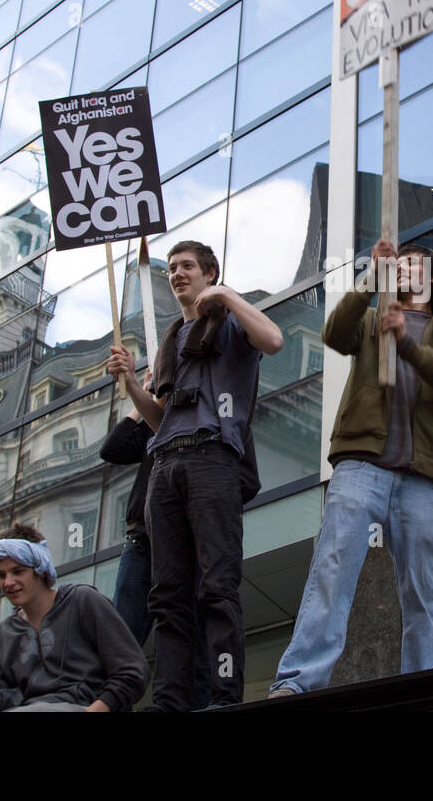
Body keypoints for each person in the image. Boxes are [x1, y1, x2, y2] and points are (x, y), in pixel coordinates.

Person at [268, 240, 433, 695]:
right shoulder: (370, 320)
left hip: (424, 477)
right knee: (333, 566)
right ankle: (299, 681)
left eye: (411, 265)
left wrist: (405, 342)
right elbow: (334, 334)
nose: (402, 270)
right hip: (362, 463)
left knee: (420, 591)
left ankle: (422, 683)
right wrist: (368, 279)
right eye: (396, 265)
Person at [105, 240, 283, 710]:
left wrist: (225, 296)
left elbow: (275, 339)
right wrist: (128, 383)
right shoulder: (171, 340)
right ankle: (169, 699)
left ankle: (223, 696)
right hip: (165, 465)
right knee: (166, 596)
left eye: (187, 267)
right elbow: (159, 420)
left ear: (210, 273)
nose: (177, 274)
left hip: (213, 461)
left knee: (217, 587)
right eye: (170, 269)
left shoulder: (231, 324)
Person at [98, 378, 212, 708]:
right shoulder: (157, 424)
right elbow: (114, 448)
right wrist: (147, 394)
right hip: (143, 539)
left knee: (187, 632)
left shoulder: (203, 421)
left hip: (184, 542)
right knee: (121, 637)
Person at [0, 524, 147, 712]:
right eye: (1, 575)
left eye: (18, 571)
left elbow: (133, 671)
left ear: (40, 568)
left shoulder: (83, 601)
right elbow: (4, 698)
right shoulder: (0, 636)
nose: (8, 583)